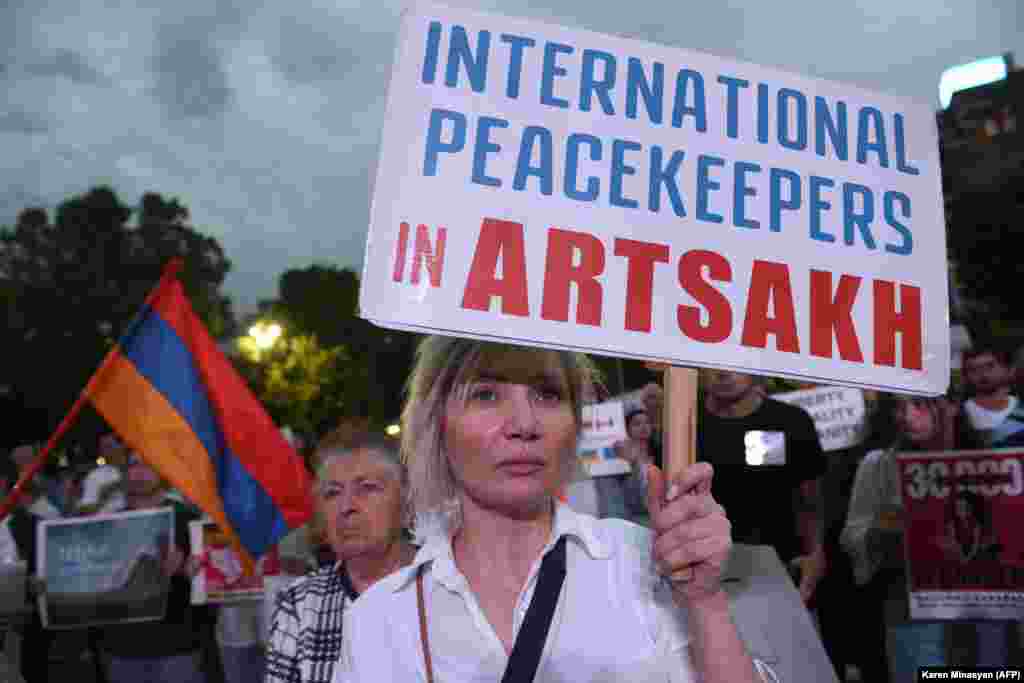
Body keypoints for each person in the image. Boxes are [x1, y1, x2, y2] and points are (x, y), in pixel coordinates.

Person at [335, 337, 758, 682]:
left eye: (548, 394)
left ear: (576, 423)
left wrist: (706, 603)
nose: (524, 423)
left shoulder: (646, 563)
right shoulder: (379, 623)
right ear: (437, 424)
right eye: (485, 394)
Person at [265, 435, 416, 683]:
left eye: (367, 488)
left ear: (407, 503)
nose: (347, 506)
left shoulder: (450, 586)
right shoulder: (300, 603)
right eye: (332, 493)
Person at [841, 396, 957, 682]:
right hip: (907, 601)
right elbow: (852, 534)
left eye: (918, 405)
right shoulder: (877, 465)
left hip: (982, 608)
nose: (906, 416)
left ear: (946, 407)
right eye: (898, 407)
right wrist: (881, 529)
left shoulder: (992, 460)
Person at [695, 370, 828, 604]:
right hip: (706, 574)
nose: (724, 372)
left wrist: (814, 554)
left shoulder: (790, 421)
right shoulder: (683, 425)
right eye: (712, 362)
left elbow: (810, 500)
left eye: (734, 361)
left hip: (780, 570)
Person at [93, 452, 212, 683]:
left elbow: (211, 582)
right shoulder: (108, 524)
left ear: (162, 472)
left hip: (178, 645)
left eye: (150, 465)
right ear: (126, 472)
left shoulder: (187, 518)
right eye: (135, 465)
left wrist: (191, 573)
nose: (141, 472)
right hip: (123, 648)